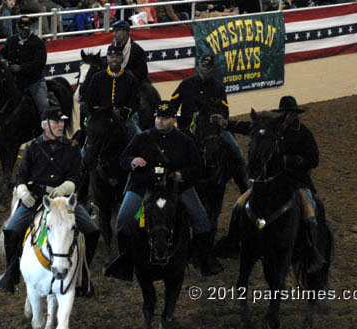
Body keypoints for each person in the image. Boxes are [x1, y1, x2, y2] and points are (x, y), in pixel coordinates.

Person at [104, 101, 223, 281]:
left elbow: (197, 168)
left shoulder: (185, 140)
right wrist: (132, 161)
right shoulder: (141, 138)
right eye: (158, 117)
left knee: (201, 219)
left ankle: (204, 261)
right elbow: (123, 159)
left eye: (165, 118)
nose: (160, 121)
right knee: (124, 219)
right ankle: (125, 264)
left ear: (173, 120)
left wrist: (181, 174)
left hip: (176, 187)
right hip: (143, 185)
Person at [0, 103, 100, 294]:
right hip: (36, 199)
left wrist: (66, 187)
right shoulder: (32, 147)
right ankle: (10, 274)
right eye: (56, 121)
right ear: (45, 125)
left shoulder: (73, 147)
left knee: (92, 230)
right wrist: (23, 192)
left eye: (62, 121)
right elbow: (20, 176)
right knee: (11, 230)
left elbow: (77, 175)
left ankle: (83, 275)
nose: (61, 125)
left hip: (64, 202)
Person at [214, 96, 326, 273]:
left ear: (296, 114)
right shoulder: (271, 128)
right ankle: (233, 242)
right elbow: (248, 127)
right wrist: (226, 123)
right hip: (268, 181)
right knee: (238, 206)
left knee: (310, 213)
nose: (288, 116)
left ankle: (312, 251)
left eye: (291, 113)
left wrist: (290, 160)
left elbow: (314, 159)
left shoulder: (304, 133)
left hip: (296, 182)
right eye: (285, 113)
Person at [169, 54, 248, 194]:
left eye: (207, 67)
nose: (204, 69)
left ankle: (243, 186)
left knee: (236, 149)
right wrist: (171, 118)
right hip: (188, 127)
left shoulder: (218, 87)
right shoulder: (185, 84)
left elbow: (225, 110)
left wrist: (221, 118)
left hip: (212, 126)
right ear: (198, 66)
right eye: (202, 66)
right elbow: (173, 105)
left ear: (212, 68)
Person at [84, 43, 142, 139]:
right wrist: (102, 112)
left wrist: (122, 113)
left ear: (122, 58)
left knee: (139, 137)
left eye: (117, 56)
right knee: (88, 141)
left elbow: (135, 102)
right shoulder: (97, 78)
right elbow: (90, 100)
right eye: (111, 57)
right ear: (107, 58)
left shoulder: (130, 78)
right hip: (101, 117)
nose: (114, 59)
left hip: (125, 118)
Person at [0, 16, 49, 119]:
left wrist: (21, 68)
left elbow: (39, 63)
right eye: (21, 28)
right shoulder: (11, 40)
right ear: (17, 27)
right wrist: (3, 60)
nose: (24, 30)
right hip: (14, 81)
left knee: (43, 105)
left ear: (31, 27)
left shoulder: (38, 43)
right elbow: (0, 55)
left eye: (27, 28)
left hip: (33, 81)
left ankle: (47, 127)